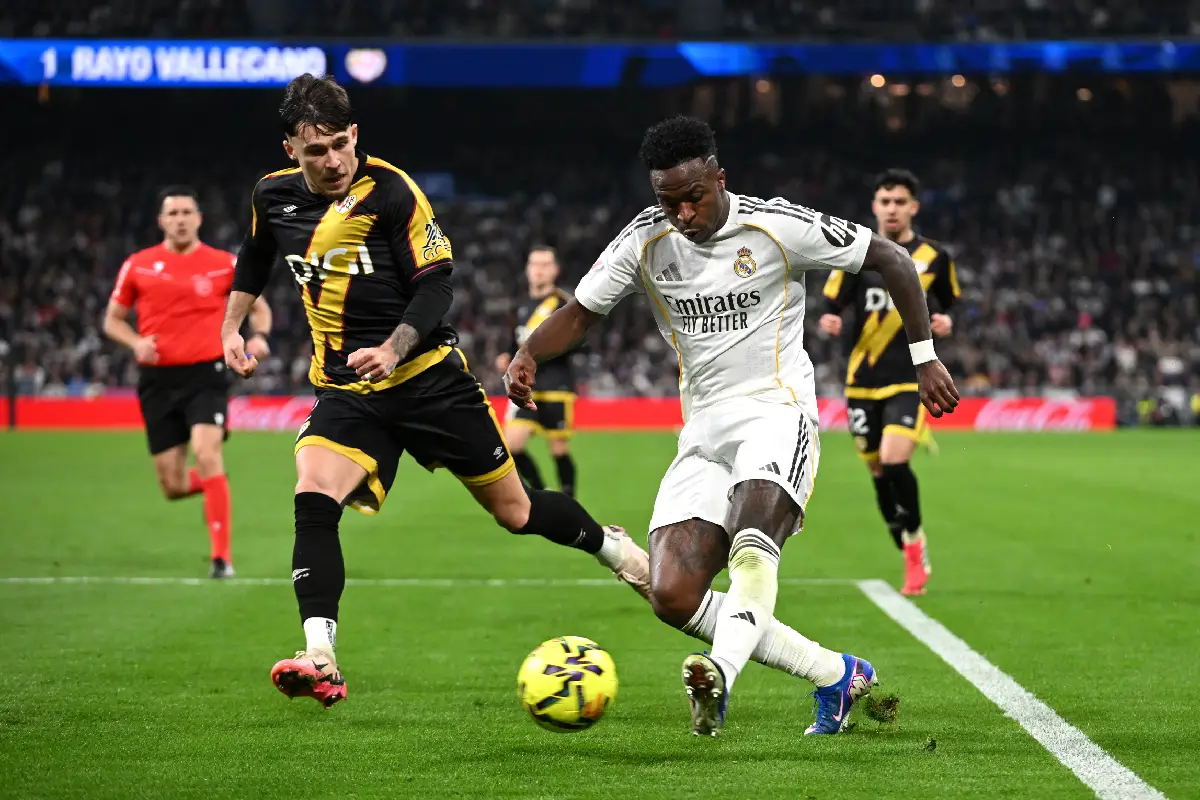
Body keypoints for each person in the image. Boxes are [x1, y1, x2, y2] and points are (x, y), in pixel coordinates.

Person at [505, 116, 960, 737]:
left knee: (752, 542)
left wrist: (923, 356)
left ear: (720, 179)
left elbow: (892, 259)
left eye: (694, 197)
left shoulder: (778, 227)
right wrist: (529, 352)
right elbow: (581, 314)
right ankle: (836, 674)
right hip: (703, 430)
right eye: (669, 202)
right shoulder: (644, 240)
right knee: (673, 595)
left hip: (778, 410)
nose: (683, 213)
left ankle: (719, 673)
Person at [219, 74, 649, 709]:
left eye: (341, 144)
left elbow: (437, 285)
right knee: (312, 493)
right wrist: (231, 324)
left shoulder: (391, 192)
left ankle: (618, 550)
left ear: (355, 135)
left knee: (518, 512)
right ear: (291, 150)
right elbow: (255, 257)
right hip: (348, 392)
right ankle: (321, 655)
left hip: (429, 381)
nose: (333, 160)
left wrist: (394, 346)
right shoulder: (272, 198)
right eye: (316, 151)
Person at [104, 185, 272, 579]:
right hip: (158, 379)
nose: (180, 219)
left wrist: (260, 338)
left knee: (207, 451)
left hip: (206, 375)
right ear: (162, 221)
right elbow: (112, 319)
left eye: (186, 212)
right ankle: (217, 484)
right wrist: (135, 342)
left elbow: (260, 310)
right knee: (173, 485)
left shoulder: (224, 263)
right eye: (172, 213)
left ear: (198, 218)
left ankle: (221, 560)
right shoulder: (139, 265)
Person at [818, 169, 960, 597]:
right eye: (885, 201)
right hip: (861, 381)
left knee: (895, 460)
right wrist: (830, 317)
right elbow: (832, 300)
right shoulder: (857, 254)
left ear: (913, 207)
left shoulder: (935, 257)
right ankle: (903, 542)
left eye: (900, 202)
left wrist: (946, 320)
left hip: (908, 378)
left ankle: (915, 547)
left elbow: (950, 304)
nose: (892, 209)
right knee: (878, 473)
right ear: (875, 206)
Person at [494, 246, 582, 497]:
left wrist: (549, 349)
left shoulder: (566, 305)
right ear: (527, 269)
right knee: (512, 445)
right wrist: (505, 356)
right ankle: (540, 492)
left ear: (555, 270)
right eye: (535, 264)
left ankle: (569, 498)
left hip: (556, 385)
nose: (539, 270)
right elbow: (513, 343)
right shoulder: (519, 304)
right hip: (524, 387)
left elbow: (582, 343)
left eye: (545, 265)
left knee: (558, 450)